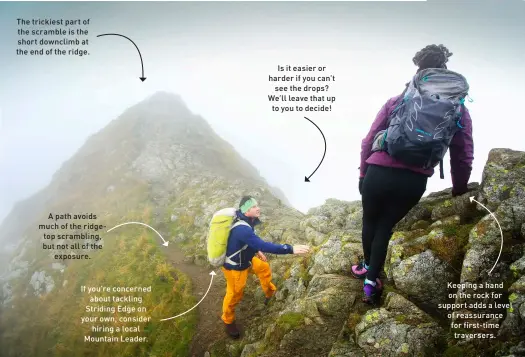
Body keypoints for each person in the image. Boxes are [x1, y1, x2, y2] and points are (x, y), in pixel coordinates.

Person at [351, 44, 474, 305]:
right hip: (414, 179)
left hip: (378, 171)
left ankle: (367, 268)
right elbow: (462, 153)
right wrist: (460, 188)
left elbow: (368, 140)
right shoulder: (457, 108)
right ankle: (370, 285)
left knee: (370, 222)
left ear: (418, 71)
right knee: (385, 225)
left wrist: (363, 174)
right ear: (445, 70)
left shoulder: (397, 101)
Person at [221, 196, 310, 338]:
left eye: (258, 205)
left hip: (246, 259)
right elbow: (262, 244)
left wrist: (257, 251)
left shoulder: (246, 221)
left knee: (263, 268)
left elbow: (249, 242)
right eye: (254, 206)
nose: (258, 208)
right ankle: (228, 320)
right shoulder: (242, 228)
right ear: (246, 210)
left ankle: (270, 292)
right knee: (234, 294)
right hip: (235, 267)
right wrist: (290, 249)